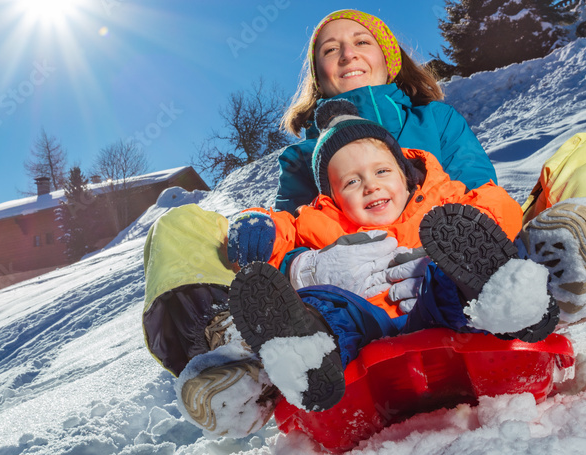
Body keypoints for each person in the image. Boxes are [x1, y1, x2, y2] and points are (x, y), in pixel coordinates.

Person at [176, 100, 560, 434]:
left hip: (435, 309)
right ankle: (307, 355)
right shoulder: (323, 220)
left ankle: (506, 297)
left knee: (448, 273)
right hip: (368, 326)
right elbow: (284, 231)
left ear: (405, 174)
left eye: (381, 171)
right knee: (326, 302)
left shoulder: (440, 198)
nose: (370, 186)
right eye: (351, 181)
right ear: (332, 196)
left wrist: (478, 225)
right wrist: (257, 226)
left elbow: (496, 204)